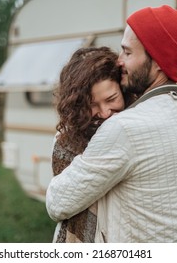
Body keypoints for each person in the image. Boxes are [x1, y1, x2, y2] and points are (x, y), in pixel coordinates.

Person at [46, 5, 177, 242]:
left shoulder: (124, 129)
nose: (119, 61)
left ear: (157, 61)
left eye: (127, 52)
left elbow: (57, 203)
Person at [51, 46, 135, 243]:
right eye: (92, 105)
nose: (105, 112)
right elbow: (62, 202)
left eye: (111, 99)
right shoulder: (65, 141)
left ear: (123, 90)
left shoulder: (135, 129)